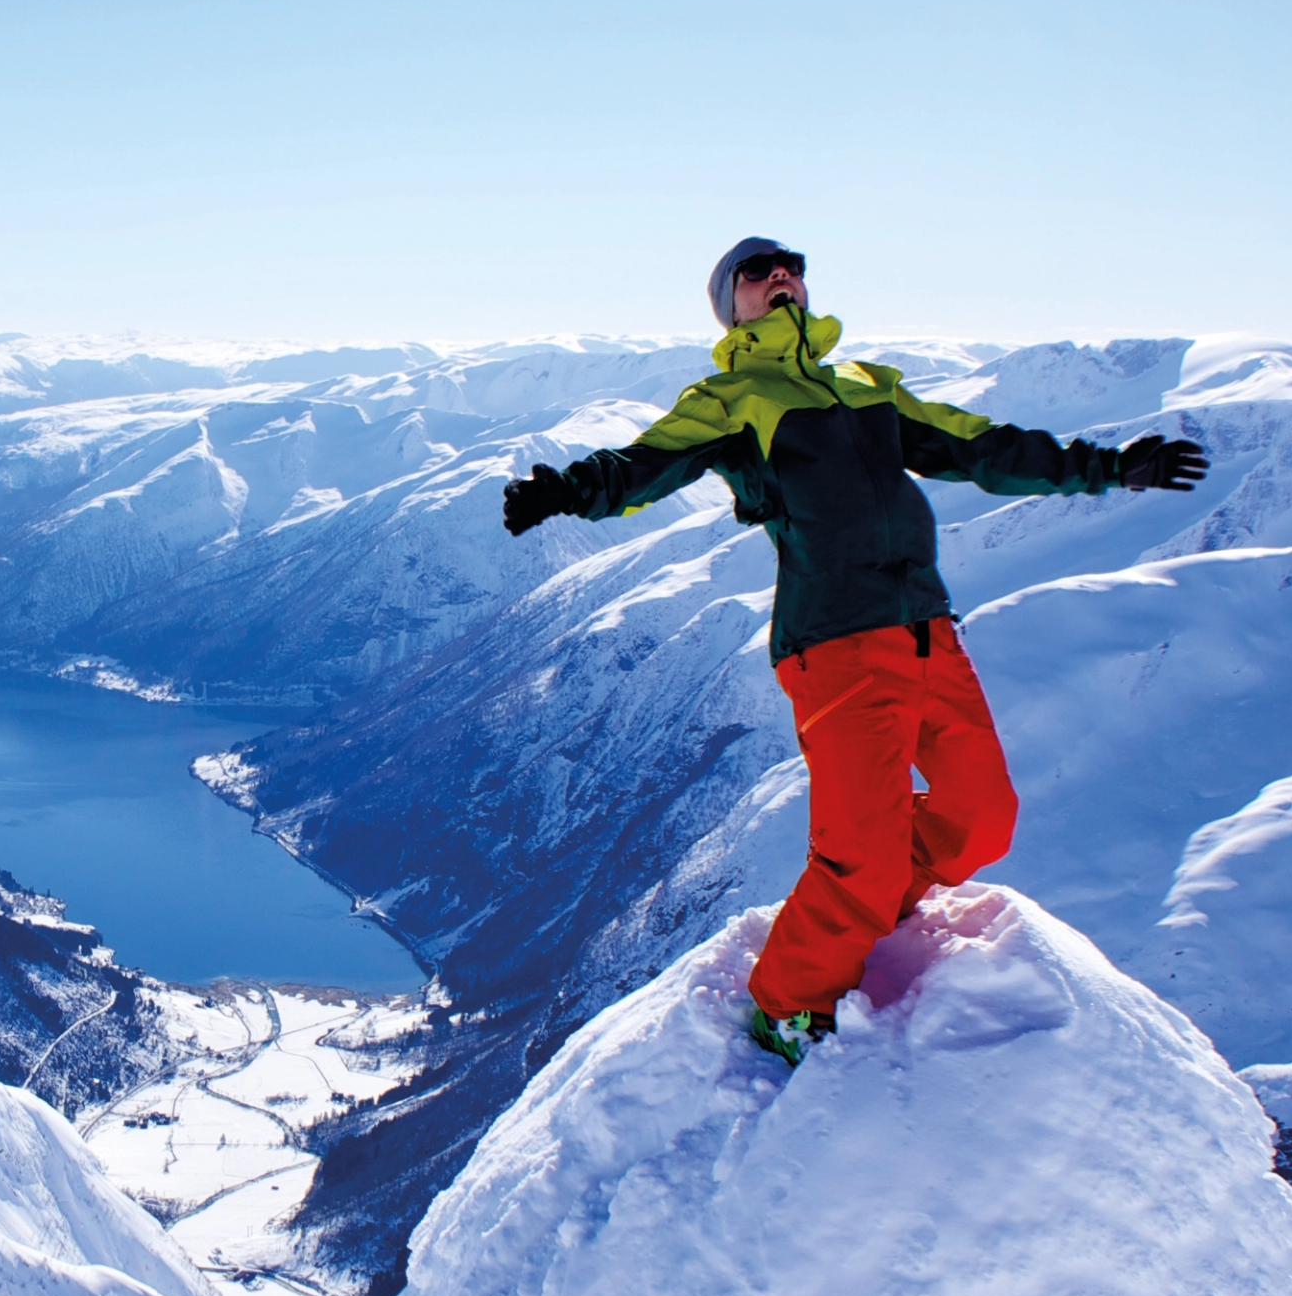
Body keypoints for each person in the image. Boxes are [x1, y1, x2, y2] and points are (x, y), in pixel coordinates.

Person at [500, 237, 1207, 1065]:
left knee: (982, 814)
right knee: (856, 849)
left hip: (924, 628)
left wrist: (1112, 468)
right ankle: (788, 1003)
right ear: (732, 306)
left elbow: (983, 446)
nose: (780, 277)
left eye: (789, 266)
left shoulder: (867, 386)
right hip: (833, 641)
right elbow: (644, 464)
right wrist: (567, 491)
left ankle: (876, 897)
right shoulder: (733, 398)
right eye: (756, 273)